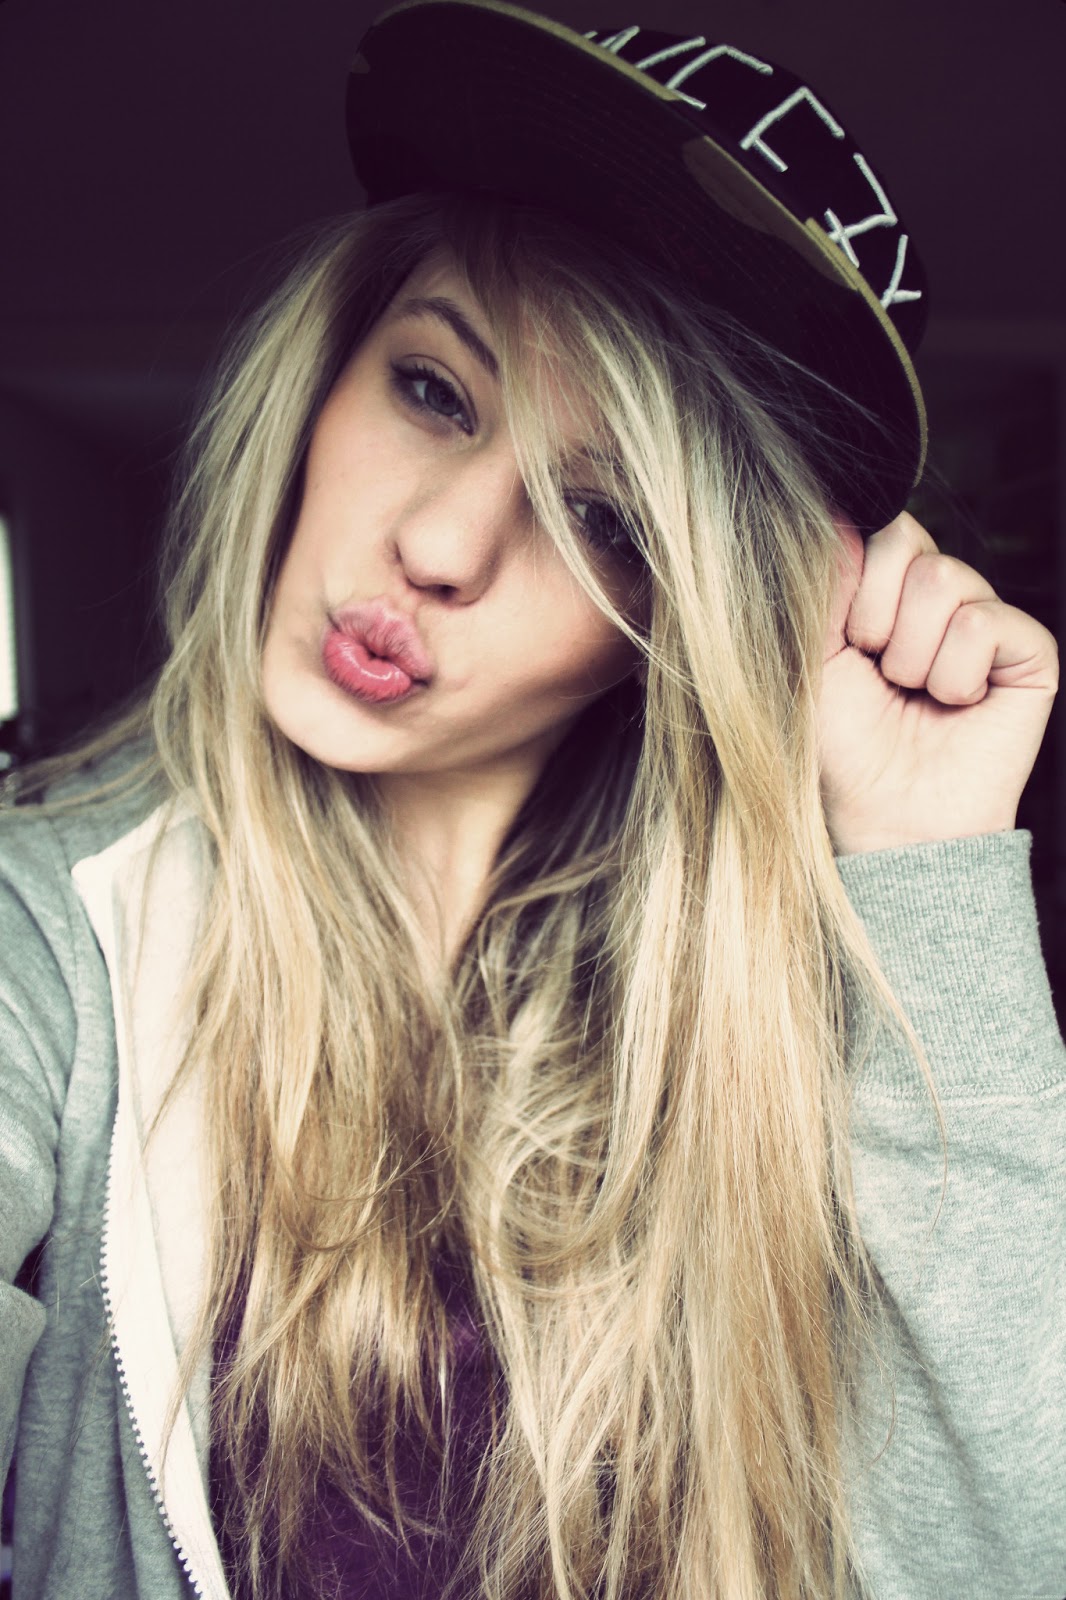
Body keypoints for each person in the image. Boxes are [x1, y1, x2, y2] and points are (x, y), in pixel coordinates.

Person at [1, 4, 1063, 1598]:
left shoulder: (791, 1034)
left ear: (675, 620)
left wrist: (932, 870)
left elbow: (1001, 1558)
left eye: (604, 517)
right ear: (326, 376)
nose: (440, 547)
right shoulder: (55, 932)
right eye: (435, 390)